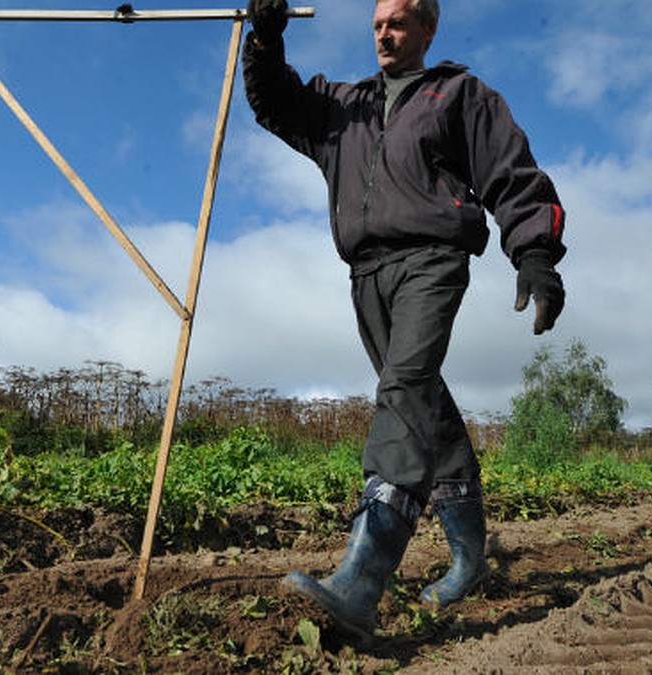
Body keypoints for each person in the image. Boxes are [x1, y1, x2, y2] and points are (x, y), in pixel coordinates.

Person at [242, 0, 567, 639]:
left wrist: (534, 255)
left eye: (397, 23)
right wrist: (266, 36)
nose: (385, 35)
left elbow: (510, 171)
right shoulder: (345, 104)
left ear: (426, 28)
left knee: (402, 393)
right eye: (377, 25)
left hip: (432, 259)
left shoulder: (458, 94)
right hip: (366, 274)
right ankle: (471, 556)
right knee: (425, 407)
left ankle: (362, 581)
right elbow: (275, 103)